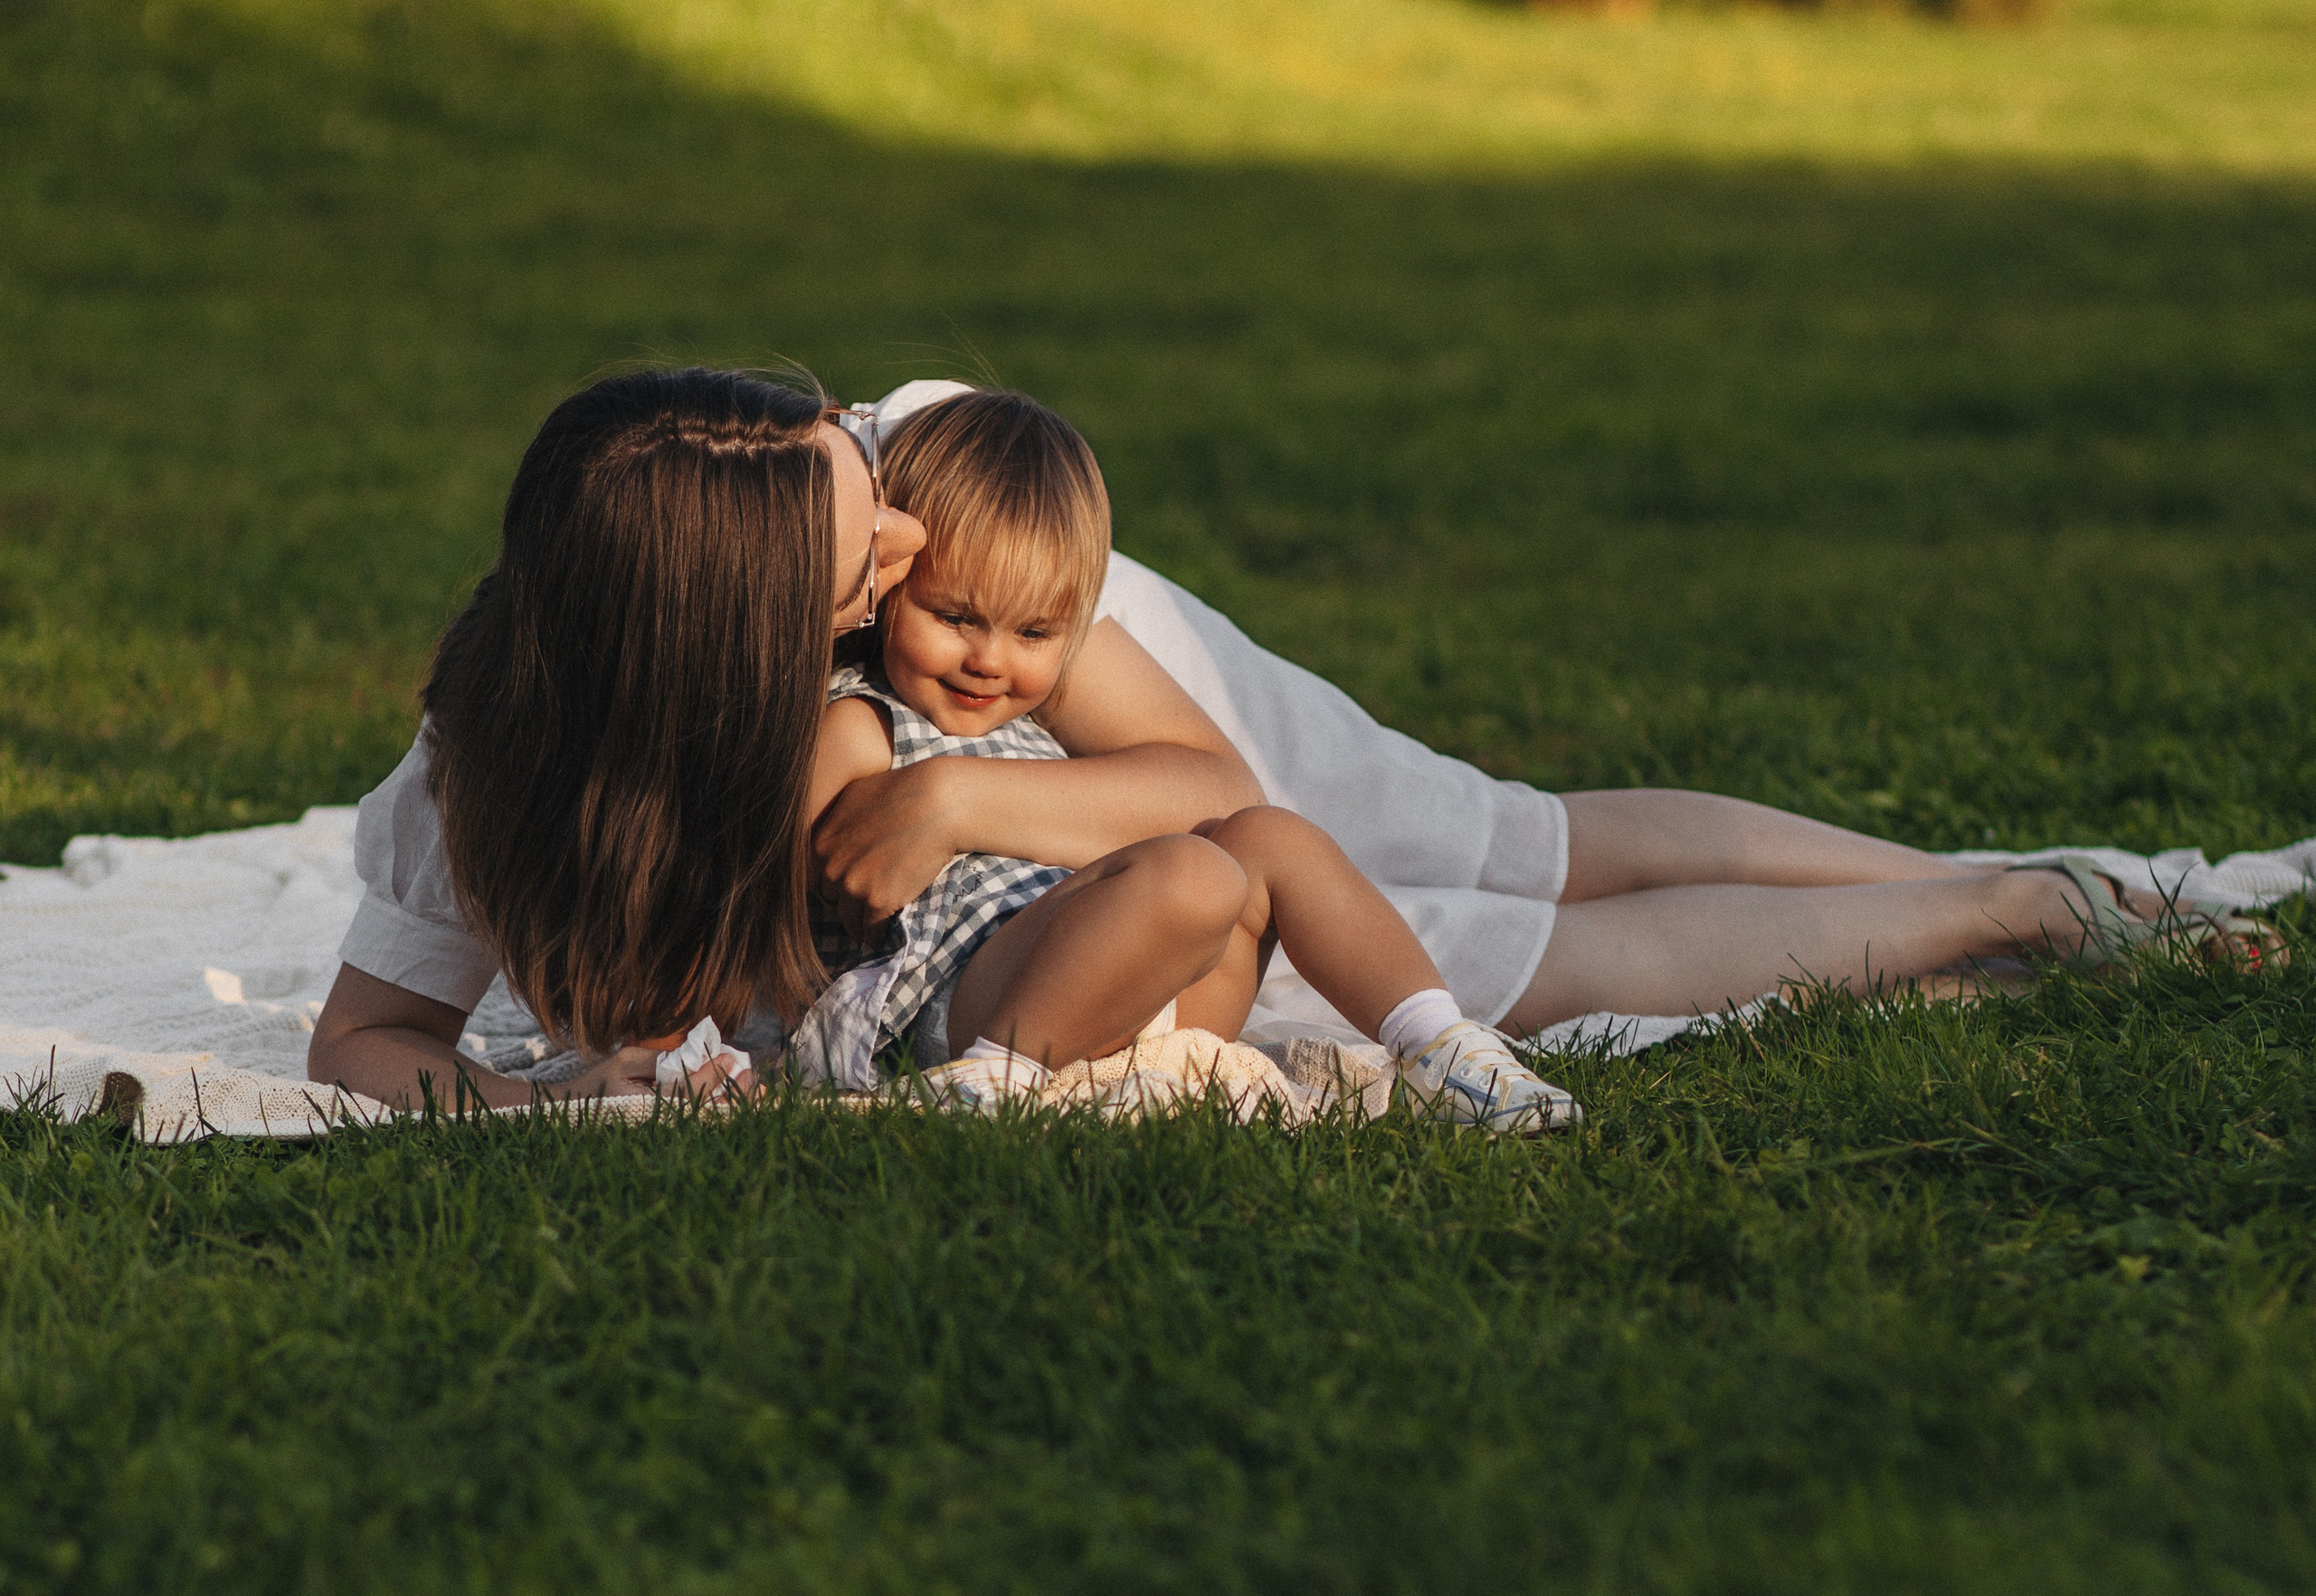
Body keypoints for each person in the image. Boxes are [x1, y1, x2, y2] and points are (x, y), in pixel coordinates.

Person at [308, 367, 1267, 1107]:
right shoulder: (494, 753)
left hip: (1193, 744)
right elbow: (362, 1037)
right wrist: (548, 1098)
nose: (908, 542)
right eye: (866, 559)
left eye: (863, 469)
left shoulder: (944, 537)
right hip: (1077, 897)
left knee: (1396, 858)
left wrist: (951, 799)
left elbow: (1221, 790)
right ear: (761, 637)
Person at [794, 388, 1575, 1130]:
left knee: (1270, 835)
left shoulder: (1041, 724)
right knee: (1194, 874)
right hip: (972, 998)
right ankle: (991, 1086)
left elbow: (1211, 800)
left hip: (1154, 983)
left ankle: (1442, 1047)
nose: (991, 660)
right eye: (956, 616)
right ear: (889, 586)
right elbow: (769, 918)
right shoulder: (862, 727)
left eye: (1033, 634)